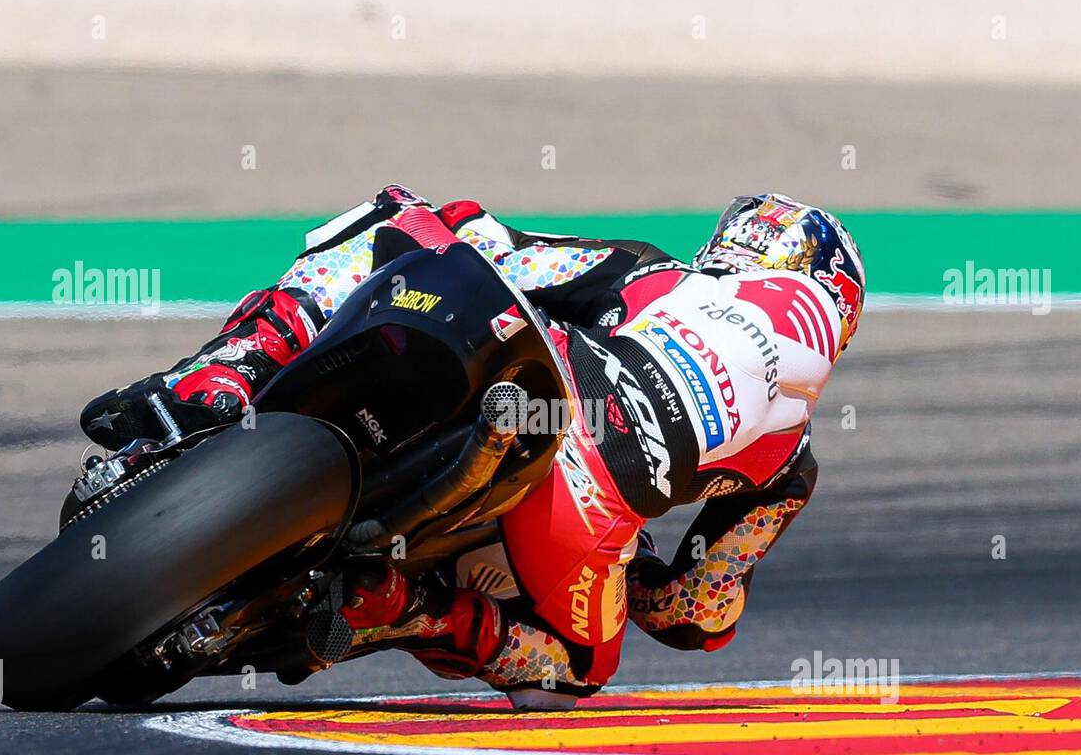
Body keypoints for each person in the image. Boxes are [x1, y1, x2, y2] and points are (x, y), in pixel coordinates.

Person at [81, 185, 865, 709]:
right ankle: (406, 611)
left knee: (396, 216)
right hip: (583, 514)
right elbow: (689, 613)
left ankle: (215, 379)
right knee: (578, 669)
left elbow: (500, 253)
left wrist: (431, 242)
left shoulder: (650, 272)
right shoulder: (788, 464)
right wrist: (641, 553)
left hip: (541, 387)